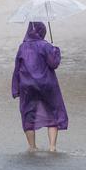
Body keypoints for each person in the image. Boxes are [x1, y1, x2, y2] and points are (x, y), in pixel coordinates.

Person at [12, 22, 68, 152]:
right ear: (42, 32)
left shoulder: (22, 47)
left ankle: (32, 147)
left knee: (28, 113)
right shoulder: (46, 46)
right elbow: (54, 64)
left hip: (27, 85)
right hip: (47, 84)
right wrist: (56, 51)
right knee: (53, 111)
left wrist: (16, 89)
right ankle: (52, 147)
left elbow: (17, 69)